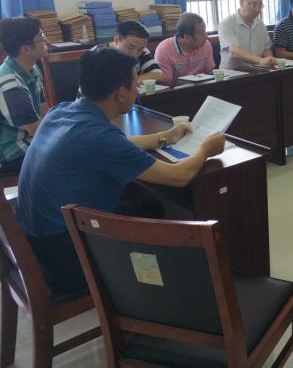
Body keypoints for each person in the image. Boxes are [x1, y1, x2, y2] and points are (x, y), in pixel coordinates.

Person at [15, 47, 226, 297]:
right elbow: (179, 176)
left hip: (35, 242)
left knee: (150, 208)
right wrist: (205, 150)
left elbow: (116, 144)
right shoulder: (100, 138)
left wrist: (165, 137)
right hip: (67, 259)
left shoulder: (59, 112)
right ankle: (151, 290)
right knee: (158, 212)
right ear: (121, 94)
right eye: (136, 85)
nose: (137, 90)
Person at [0, 17, 49, 175]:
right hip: (12, 152)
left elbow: (44, 111)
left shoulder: (31, 68)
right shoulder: (11, 87)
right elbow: (39, 132)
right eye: (41, 38)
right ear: (25, 49)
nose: (46, 41)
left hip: (29, 139)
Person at [219, 0, 276, 69]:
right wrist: (260, 60)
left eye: (260, 5)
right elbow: (235, 51)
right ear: (241, 2)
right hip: (233, 73)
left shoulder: (260, 23)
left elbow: (266, 48)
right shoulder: (227, 24)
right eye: (254, 5)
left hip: (258, 70)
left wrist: (268, 59)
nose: (258, 10)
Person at [91, 20, 164, 83]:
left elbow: (158, 74)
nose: (135, 54)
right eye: (130, 47)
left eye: (140, 49)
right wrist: (130, 85)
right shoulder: (97, 54)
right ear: (116, 41)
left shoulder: (143, 51)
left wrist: (132, 84)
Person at [155, 12, 215, 83]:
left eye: (205, 31)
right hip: (177, 88)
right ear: (187, 38)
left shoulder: (205, 44)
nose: (206, 36)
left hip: (201, 86)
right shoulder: (164, 50)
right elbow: (167, 81)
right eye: (202, 33)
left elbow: (209, 72)